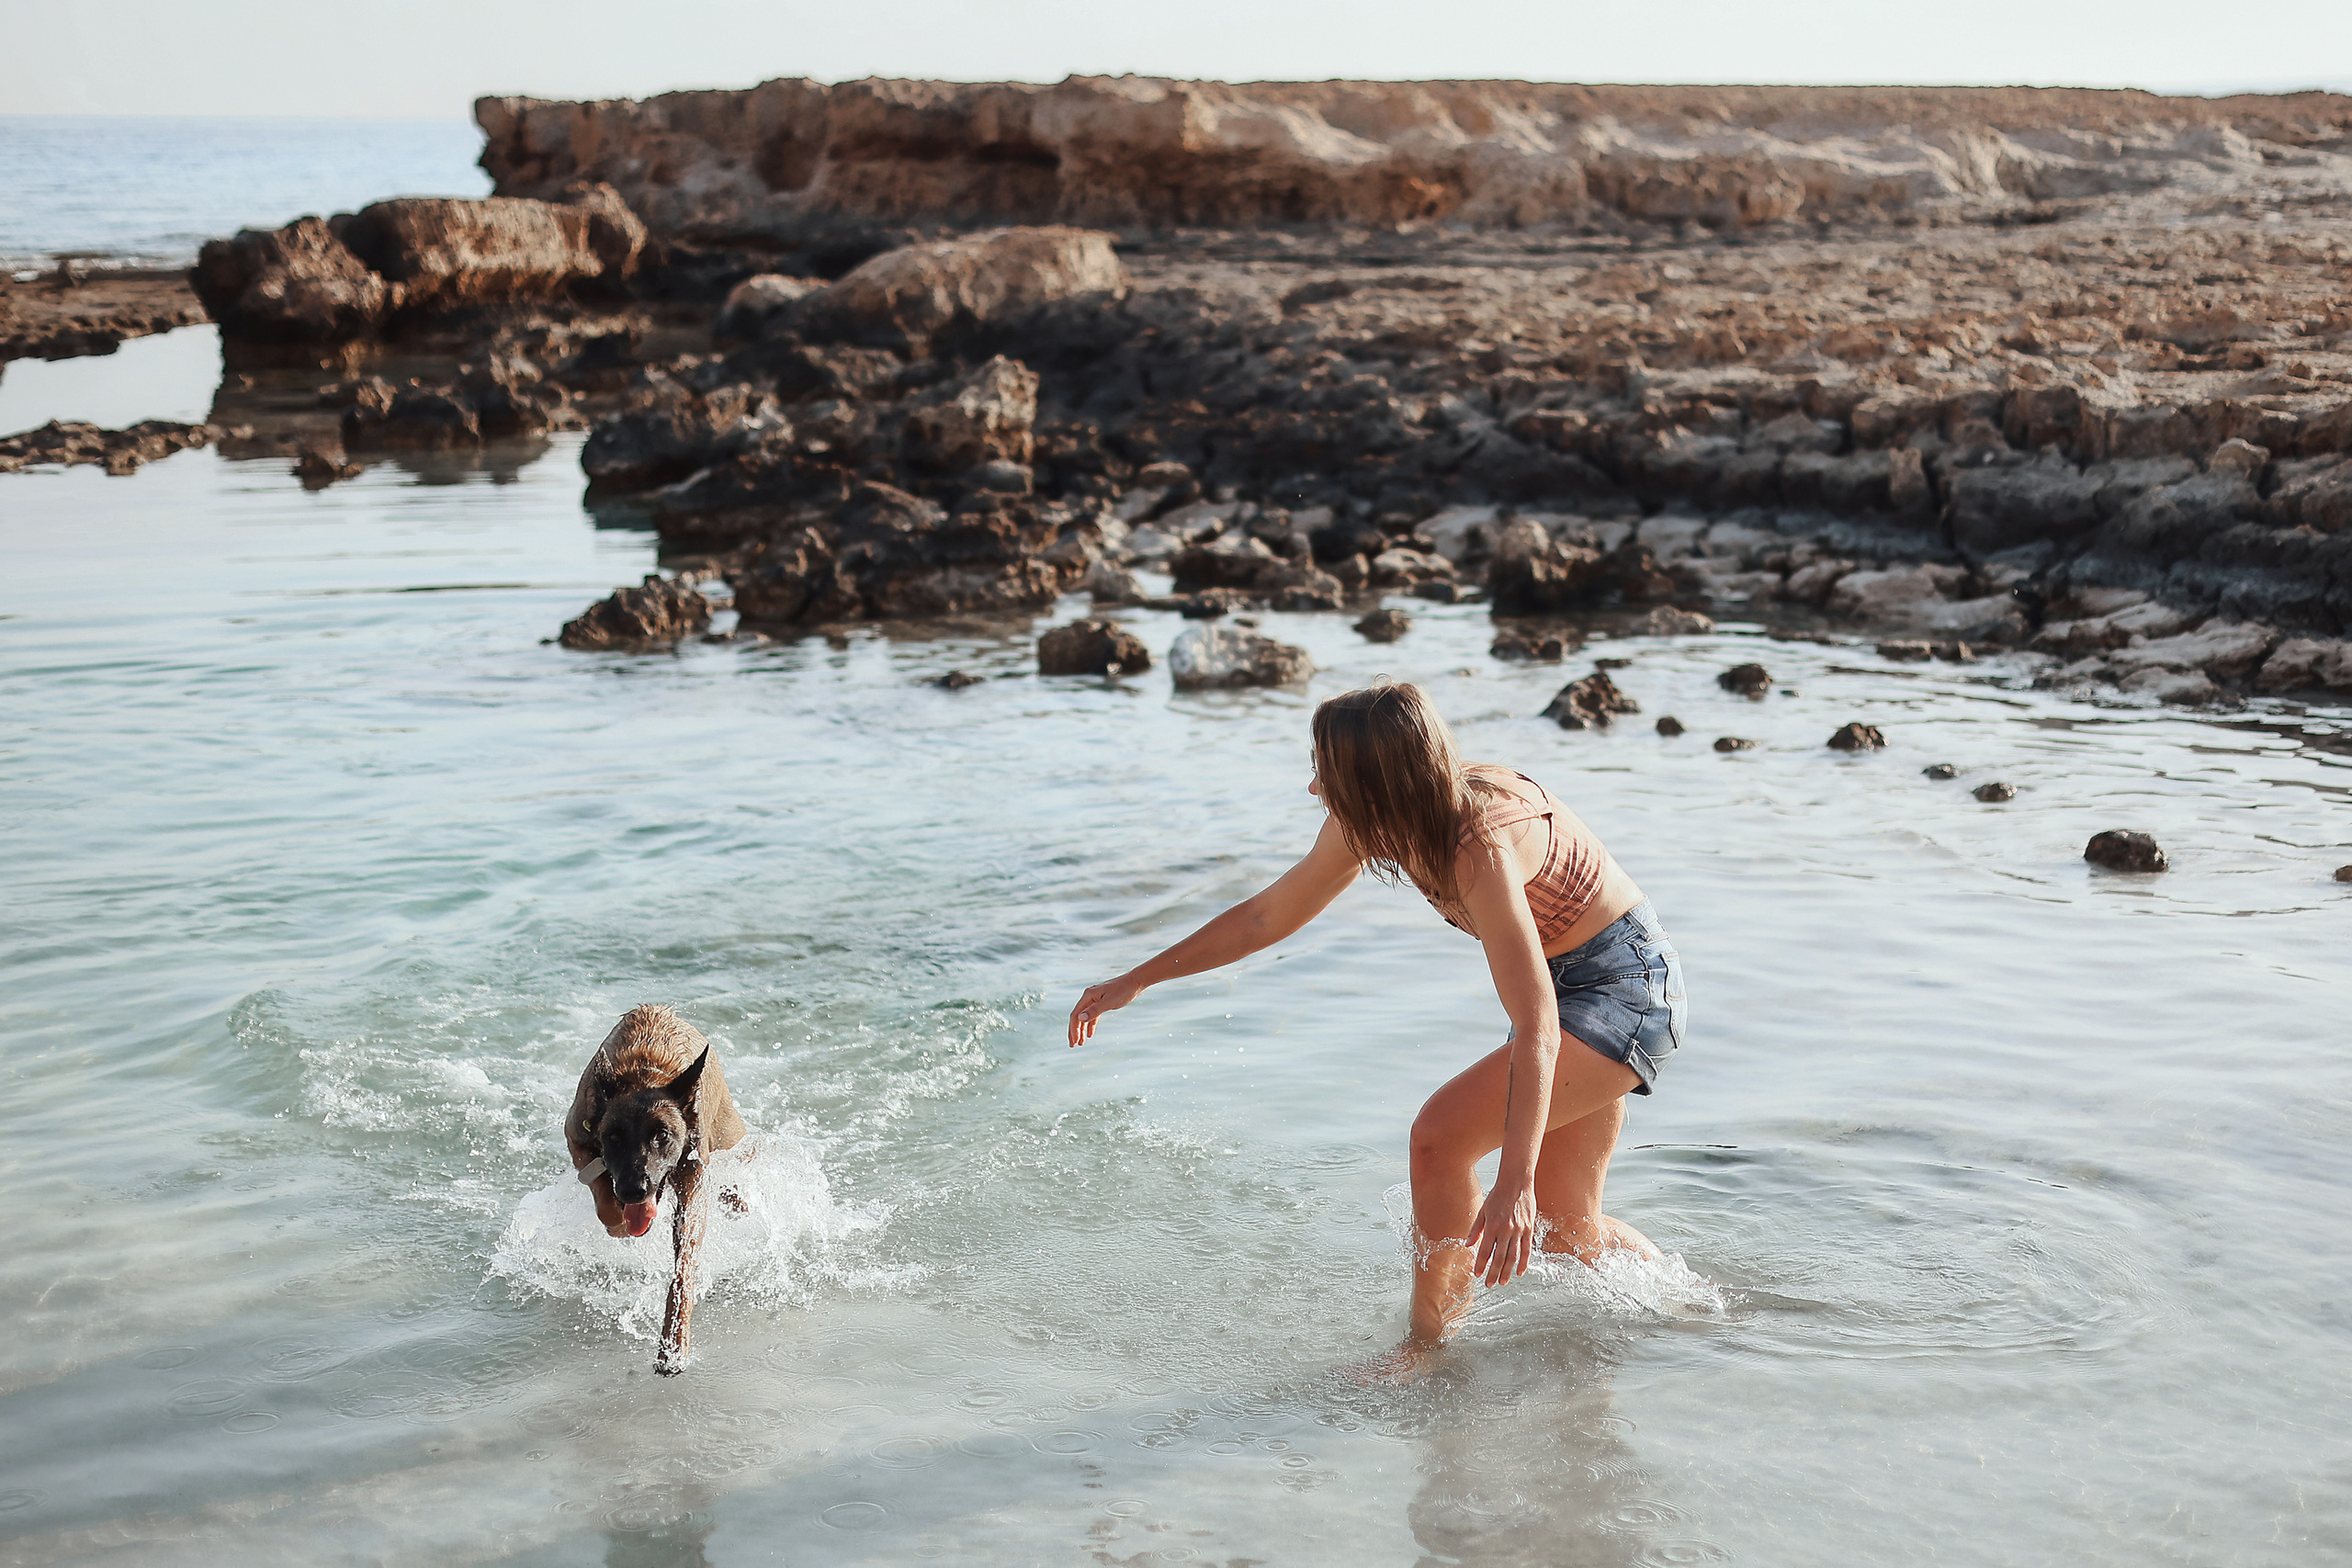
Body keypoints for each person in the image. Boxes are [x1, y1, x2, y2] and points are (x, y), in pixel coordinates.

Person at [1067, 682, 1687, 1349]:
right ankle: (1693, 1313)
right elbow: (1267, 914)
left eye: (1324, 774)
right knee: (1570, 1231)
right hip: (1567, 988)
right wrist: (1138, 978)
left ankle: (1428, 1347)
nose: (1312, 790)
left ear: (1377, 785)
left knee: (1438, 1138)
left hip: (1625, 986)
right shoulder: (1380, 820)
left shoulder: (1479, 844)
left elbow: (1537, 1018)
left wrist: (1513, 1180)